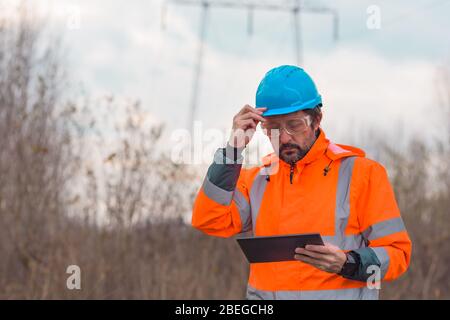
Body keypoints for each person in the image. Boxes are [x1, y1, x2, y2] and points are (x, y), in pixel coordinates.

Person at [191, 65, 411, 300]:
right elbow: (209, 220)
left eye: (294, 125)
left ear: (316, 120)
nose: (284, 137)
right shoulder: (256, 180)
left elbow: (398, 255)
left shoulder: (362, 174)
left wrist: (348, 263)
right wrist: (232, 150)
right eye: (273, 128)